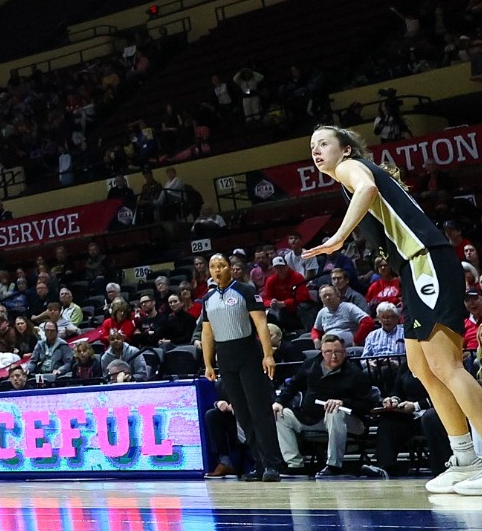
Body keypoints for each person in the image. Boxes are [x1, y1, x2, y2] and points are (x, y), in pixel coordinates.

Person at [305, 126, 482, 494]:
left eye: (324, 143)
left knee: (444, 365)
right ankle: (465, 458)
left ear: (347, 149)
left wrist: (337, 237)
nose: (316, 151)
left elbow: (367, 188)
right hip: (413, 269)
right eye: (312, 147)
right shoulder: (349, 176)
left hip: (426, 261)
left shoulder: (351, 169)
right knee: (421, 367)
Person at [201, 251, 284, 481]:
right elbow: (207, 333)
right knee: (243, 415)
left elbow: (261, 324)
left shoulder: (245, 290)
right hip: (225, 359)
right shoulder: (208, 299)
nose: (217, 270)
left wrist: (267, 355)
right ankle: (258, 464)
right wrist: (208, 363)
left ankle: (272, 465)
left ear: (231, 267)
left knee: (260, 411)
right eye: (213, 267)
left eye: (221, 265)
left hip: (248, 353)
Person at [272, 333, 378, 478]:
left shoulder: (354, 373)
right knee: (281, 414)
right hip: (311, 418)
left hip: (349, 421)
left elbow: (367, 404)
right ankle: (295, 464)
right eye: (328, 352)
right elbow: (292, 386)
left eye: (338, 352)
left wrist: (343, 402)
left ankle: (334, 465)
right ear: (322, 352)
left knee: (334, 411)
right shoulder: (310, 365)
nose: (333, 356)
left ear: (345, 352)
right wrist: (279, 402)